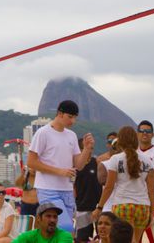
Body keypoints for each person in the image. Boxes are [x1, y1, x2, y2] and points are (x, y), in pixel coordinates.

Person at [26, 100, 95, 233]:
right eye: (70, 117)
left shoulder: (72, 135)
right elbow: (31, 162)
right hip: (47, 189)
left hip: (67, 190)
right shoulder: (43, 133)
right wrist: (59, 171)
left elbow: (79, 166)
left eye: (75, 118)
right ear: (60, 113)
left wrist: (86, 149)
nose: (73, 121)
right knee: (65, 228)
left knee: (64, 233)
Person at [92, 126, 154, 243]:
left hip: (123, 205)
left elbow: (109, 187)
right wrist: (152, 213)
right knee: (136, 240)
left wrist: (99, 207)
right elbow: (151, 190)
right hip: (143, 206)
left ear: (120, 140)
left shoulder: (116, 159)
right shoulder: (147, 160)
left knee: (125, 240)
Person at [74, 137, 102, 243]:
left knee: (102, 237)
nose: (90, 151)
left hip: (98, 207)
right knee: (82, 239)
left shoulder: (97, 163)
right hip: (82, 207)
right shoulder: (75, 166)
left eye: (92, 148)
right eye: (87, 148)